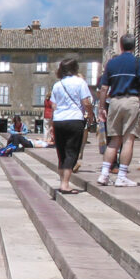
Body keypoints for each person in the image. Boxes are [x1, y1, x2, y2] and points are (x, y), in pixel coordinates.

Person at [97, 34, 140, 186]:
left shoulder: (112, 63)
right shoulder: (137, 62)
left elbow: (103, 87)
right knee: (128, 139)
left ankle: (104, 174)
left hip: (114, 101)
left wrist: (102, 107)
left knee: (114, 139)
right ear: (134, 46)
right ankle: (121, 176)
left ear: (121, 46)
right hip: (131, 100)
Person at [51, 59, 95, 194]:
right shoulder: (80, 82)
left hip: (58, 120)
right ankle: (65, 184)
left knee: (61, 152)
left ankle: (62, 181)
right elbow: (86, 102)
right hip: (74, 119)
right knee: (71, 151)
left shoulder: (57, 85)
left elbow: (53, 105)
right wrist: (90, 114)